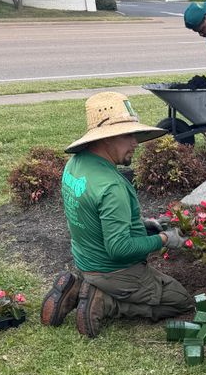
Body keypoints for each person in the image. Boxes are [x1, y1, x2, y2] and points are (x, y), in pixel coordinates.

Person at [40, 91, 193, 339]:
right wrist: (164, 239)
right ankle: (105, 302)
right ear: (107, 139)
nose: (135, 143)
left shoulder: (75, 165)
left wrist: (143, 224)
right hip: (113, 270)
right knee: (180, 299)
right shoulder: (112, 187)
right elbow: (119, 249)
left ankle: (78, 287)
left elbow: (92, 214)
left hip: (86, 261)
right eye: (127, 135)